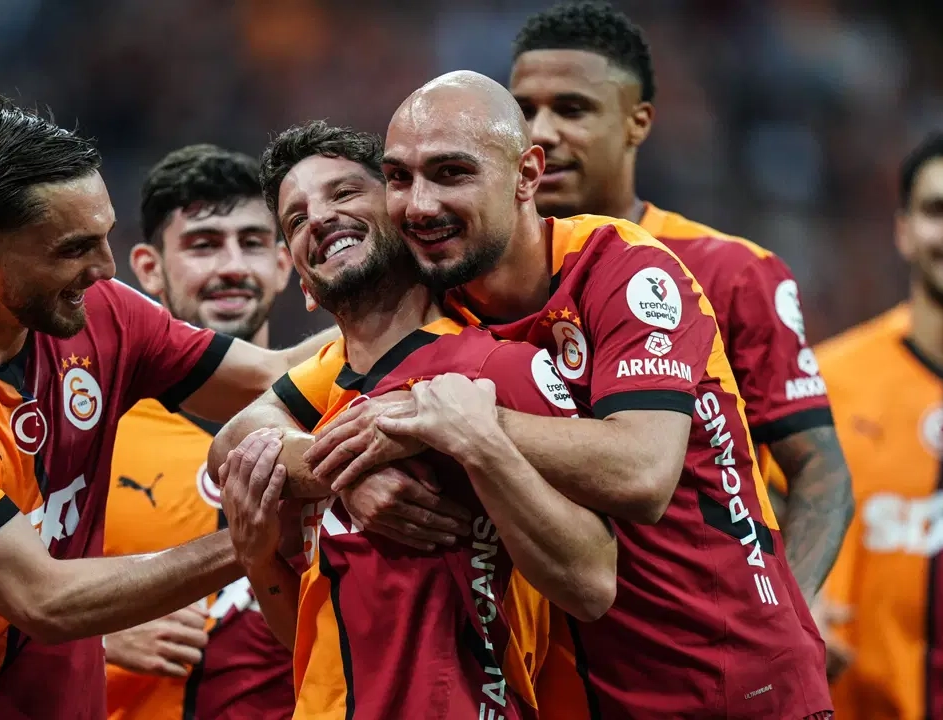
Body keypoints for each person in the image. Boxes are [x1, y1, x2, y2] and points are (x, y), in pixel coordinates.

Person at [282, 73, 832, 718]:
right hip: (585, 694)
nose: (420, 205)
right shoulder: (440, 303)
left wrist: (454, 425)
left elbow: (642, 474)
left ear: (527, 175)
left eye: (452, 173)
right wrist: (346, 469)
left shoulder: (622, 267)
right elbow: (260, 413)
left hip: (733, 684)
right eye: (399, 178)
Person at [0, 96, 335, 720]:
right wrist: (251, 539)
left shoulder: (103, 313)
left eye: (106, 236)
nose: (106, 268)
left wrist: (419, 304)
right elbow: (44, 601)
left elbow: (277, 377)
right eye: (73, 249)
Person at [212, 120, 618, 720]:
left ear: (407, 221)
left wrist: (476, 443)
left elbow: (593, 582)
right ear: (304, 284)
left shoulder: (497, 368)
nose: (319, 218)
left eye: (344, 193)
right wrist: (263, 556)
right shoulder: (328, 397)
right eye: (296, 220)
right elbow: (318, 646)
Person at [508, 0, 852, 606]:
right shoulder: (485, 276)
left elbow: (820, 474)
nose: (541, 132)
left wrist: (784, 617)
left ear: (637, 122)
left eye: (572, 109)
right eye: (524, 111)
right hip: (536, 643)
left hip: (693, 641)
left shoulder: (733, 273)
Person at [101, 145, 295, 720]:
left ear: (284, 264)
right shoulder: (91, 427)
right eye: (203, 244)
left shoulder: (335, 415)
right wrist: (91, 635)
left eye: (252, 242)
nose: (232, 266)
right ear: (148, 268)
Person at [765, 132, 943, 719]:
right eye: (936, 211)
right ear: (903, 231)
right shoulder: (828, 384)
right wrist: (800, 599)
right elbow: (755, 530)